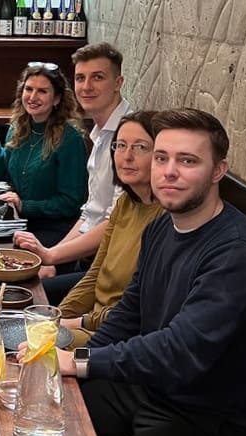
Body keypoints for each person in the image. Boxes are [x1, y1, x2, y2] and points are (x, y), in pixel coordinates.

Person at [31, 108, 246, 436]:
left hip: (212, 419)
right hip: (151, 388)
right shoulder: (160, 229)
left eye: (187, 160)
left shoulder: (239, 252)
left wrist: (81, 362)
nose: (169, 170)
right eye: (161, 157)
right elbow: (129, 314)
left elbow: (180, 350)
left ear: (218, 171)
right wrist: (74, 356)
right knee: (34, 402)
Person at [13, 42, 131, 304]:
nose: (87, 86)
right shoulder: (100, 134)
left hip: (112, 268)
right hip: (89, 257)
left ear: (118, 82)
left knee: (23, 298)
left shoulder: (127, 135)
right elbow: (90, 213)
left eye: (97, 77)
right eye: (80, 78)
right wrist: (50, 255)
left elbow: (115, 223)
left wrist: (53, 256)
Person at [58, 111, 165, 349]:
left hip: (117, 340)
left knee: (20, 345)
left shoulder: (165, 219)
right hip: (89, 324)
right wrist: (56, 316)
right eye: (120, 145)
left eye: (140, 147)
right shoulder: (125, 203)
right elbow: (95, 274)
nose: (126, 156)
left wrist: (72, 324)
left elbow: (136, 311)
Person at [0, 62, 88, 247]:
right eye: (29, 89)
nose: (33, 97)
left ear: (57, 98)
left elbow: (70, 203)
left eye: (42, 91)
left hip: (54, 231)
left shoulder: (70, 139)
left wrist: (24, 205)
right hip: (18, 223)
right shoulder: (18, 128)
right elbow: (5, 173)